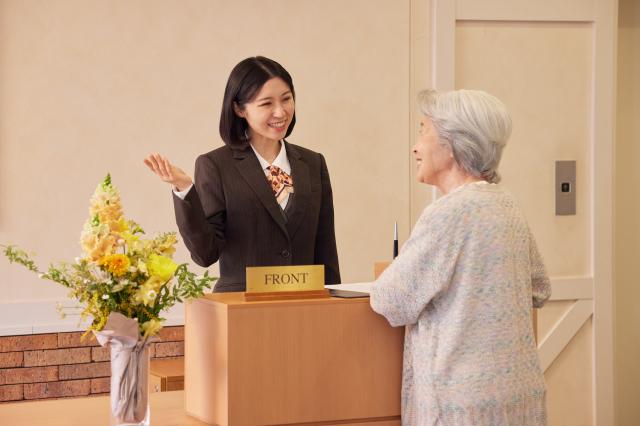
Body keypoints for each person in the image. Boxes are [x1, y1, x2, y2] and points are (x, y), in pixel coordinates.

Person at [369, 89, 551, 425]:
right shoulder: (506, 205)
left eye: (423, 130)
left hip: (459, 404)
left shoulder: (448, 213)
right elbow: (538, 288)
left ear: (451, 146)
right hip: (518, 397)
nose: (415, 146)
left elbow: (391, 300)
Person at [144, 56, 340, 292]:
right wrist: (185, 189)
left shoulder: (313, 163)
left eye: (286, 99)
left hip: (304, 308)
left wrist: (333, 302)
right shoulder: (215, 165)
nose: (280, 112)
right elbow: (206, 253)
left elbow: (325, 248)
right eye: (266, 104)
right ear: (239, 108)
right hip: (241, 309)